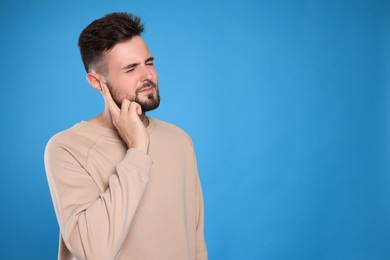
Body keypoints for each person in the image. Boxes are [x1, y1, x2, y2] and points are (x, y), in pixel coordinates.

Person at [44, 12, 207, 260]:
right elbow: (93, 252)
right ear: (97, 82)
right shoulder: (66, 148)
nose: (148, 76)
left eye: (149, 63)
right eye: (131, 68)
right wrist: (137, 149)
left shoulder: (180, 140)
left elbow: (194, 241)